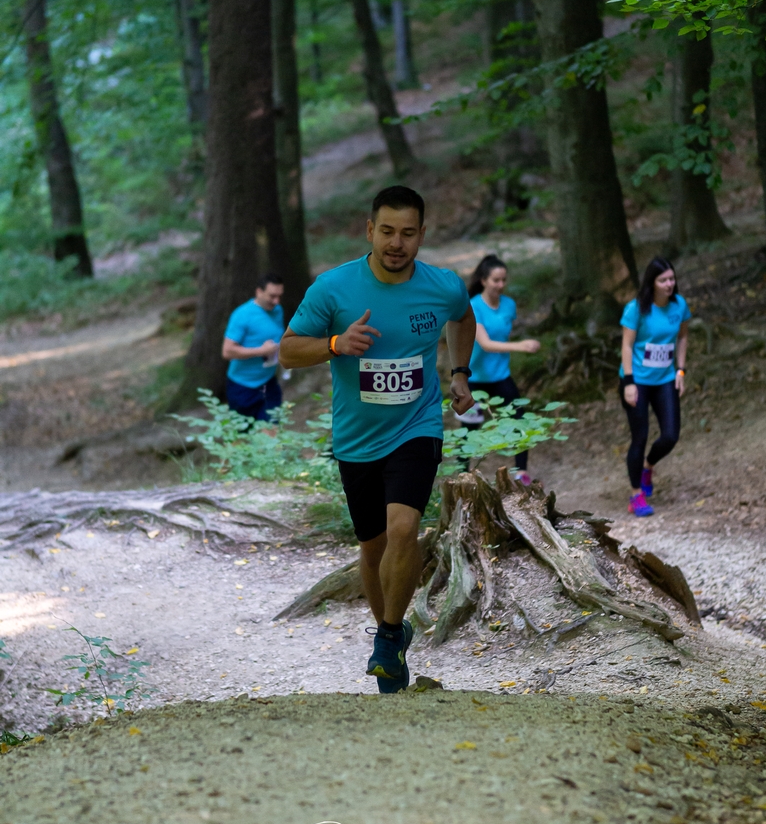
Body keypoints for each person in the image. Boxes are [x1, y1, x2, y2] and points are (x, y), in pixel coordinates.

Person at [279, 185, 476, 694]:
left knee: (403, 529)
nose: (396, 243)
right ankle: (392, 633)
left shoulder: (442, 286)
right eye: (387, 231)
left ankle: (387, 638)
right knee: (372, 547)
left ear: (421, 235)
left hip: (417, 426)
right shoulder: (333, 288)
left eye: (407, 233)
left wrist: (459, 372)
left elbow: (463, 315)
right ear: (369, 231)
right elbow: (288, 350)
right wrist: (335, 343)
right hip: (357, 437)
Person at [619, 256, 690, 517]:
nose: (669, 284)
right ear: (652, 283)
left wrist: (680, 370)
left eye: (671, 279)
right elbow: (627, 346)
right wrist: (629, 382)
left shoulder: (679, 305)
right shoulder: (636, 308)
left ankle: (648, 466)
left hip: (665, 379)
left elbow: (683, 337)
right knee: (640, 437)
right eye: (663, 280)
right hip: (637, 380)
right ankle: (636, 494)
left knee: (670, 435)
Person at [464, 254, 540, 485]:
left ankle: (521, 472)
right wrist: (521, 346)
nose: (501, 285)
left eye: (504, 280)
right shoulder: (473, 306)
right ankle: (461, 475)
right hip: (473, 378)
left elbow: (502, 332)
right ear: (484, 281)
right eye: (496, 280)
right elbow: (485, 344)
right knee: (469, 429)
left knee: (519, 421)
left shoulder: (509, 305)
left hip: (500, 376)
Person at [222, 274, 286, 422]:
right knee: (244, 434)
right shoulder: (242, 315)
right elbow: (227, 351)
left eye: (279, 296)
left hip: (269, 382)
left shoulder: (278, 310)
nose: (276, 301)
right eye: (272, 296)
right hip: (242, 385)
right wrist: (261, 351)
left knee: (271, 430)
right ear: (259, 292)